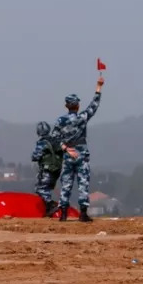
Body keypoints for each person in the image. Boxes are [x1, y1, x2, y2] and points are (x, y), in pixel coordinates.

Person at [51, 76, 104, 222]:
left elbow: (54, 137)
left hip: (68, 154)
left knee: (66, 183)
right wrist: (98, 88)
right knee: (83, 182)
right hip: (81, 153)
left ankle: (63, 214)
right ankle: (83, 213)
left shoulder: (60, 121)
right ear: (77, 106)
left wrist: (65, 148)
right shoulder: (82, 117)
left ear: (66, 105)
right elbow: (94, 106)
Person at [32, 121, 64, 217]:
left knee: (41, 189)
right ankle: (48, 209)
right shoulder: (55, 141)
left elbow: (35, 157)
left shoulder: (42, 143)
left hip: (47, 169)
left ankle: (51, 205)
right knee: (47, 189)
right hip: (57, 170)